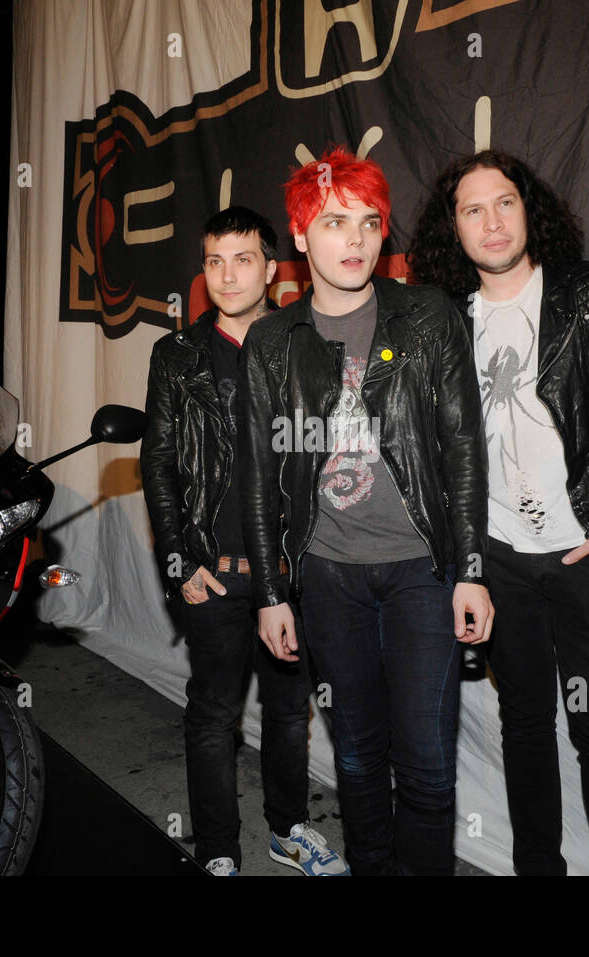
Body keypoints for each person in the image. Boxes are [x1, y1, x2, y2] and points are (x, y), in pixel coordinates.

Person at [408, 150, 589, 875]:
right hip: (499, 563)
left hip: (588, 556)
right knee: (524, 726)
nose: (492, 222)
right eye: (472, 208)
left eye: (505, 202)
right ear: (452, 227)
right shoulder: (443, 318)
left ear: (531, 210)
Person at [239, 148, 492, 875]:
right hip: (327, 576)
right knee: (354, 754)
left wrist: (470, 569)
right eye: (334, 222)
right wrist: (271, 592)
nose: (354, 239)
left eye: (370, 222)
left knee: (427, 763)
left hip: (422, 570)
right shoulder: (271, 341)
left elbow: (464, 449)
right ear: (299, 236)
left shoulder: (428, 316)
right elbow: (259, 475)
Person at [141, 206, 347, 877]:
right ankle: (218, 849)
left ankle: (289, 830)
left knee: (290, 715)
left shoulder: (306, 344)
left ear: (270, 266)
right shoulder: (177, 355)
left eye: (243, 258)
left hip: (293, 575)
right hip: (216, 575)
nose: (228, 274)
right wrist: (180, 563)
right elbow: (159, 464)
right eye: (214, 260)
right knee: (213, 716)